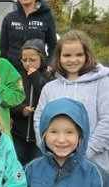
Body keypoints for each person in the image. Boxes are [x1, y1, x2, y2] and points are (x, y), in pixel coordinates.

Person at [34, 29, 109, 172]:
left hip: (94, 165)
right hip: (57, 165)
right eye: (67, 55)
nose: (73, 60)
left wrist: (86, 152)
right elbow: (39, 119)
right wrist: (47, 147)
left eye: (79, 54)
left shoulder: (102, 83)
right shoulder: (49, 88)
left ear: (87, 55)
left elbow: (106, 121)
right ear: (59, 57)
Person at [25, 98, 108, 186]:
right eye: (54, 132)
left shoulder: (95, 175)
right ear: (44, 134)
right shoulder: (30, 171)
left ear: (80, 136)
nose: (61, 140)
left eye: (69, 132)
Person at [0, 0, 57, 72]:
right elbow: (3, 50)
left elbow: (53, 46)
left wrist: (49, 64)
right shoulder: (9, 18)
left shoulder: (46, 16)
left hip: (37, 74)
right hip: (13, 74)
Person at [10, 39, 53, 165]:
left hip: (39, 137)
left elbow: (48, 96)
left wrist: (36, 77)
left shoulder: (49, 77)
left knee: (36, 167)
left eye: (32, 60)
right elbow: (10, 101)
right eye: (24, 60)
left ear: (42, 59)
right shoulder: (17, 76)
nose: (28, 64)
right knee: (16, 166)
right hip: (18, 134)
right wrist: (21, 109)